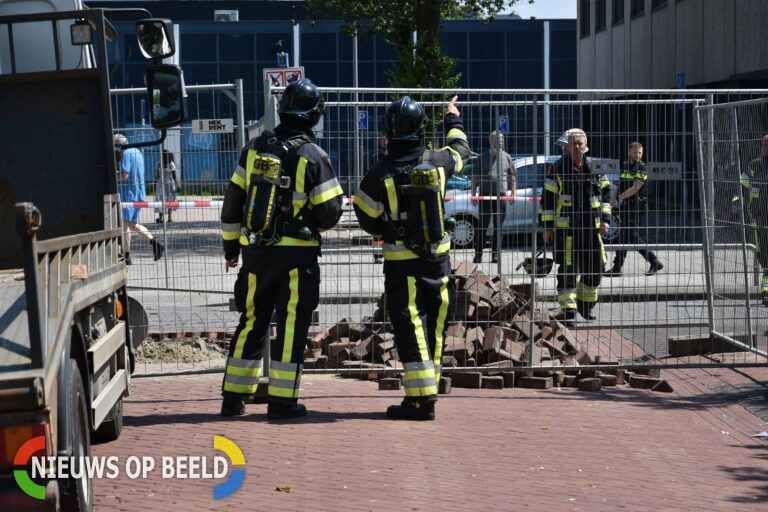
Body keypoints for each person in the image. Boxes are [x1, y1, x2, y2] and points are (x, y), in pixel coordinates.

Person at [219, 78, 343, 419]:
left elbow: (232, 204)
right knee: (291, 325)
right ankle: (282, 401)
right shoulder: (313, 155)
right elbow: (331, 212)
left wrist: (231, 248)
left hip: (255, 253)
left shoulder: (254, 148)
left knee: (252, 321)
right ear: (313, 114)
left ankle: (233, 398)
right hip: (296, 257)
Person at [353, 95, 471, 420]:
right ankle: (426, 392)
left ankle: (420, 401)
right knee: (434, 325)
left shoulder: (379, 172)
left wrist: (388, 227)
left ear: (387, 132)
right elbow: (462, 152)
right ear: (420, 129)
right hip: (439, 260)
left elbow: (364, 215)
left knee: (409, 325)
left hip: (401, 263)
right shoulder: (439, 160)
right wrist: (452, 119)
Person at [541, 129, 611, 323]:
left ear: (586, 145)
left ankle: (585, 304)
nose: (577, 147)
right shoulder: (556, 169)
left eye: (580, 143)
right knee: (569, 268)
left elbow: (606, 195)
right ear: (568, 147)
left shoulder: (595, 167)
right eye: (573, 143)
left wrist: (605, 219)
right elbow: (547, 199)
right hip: (568, 229)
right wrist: (547, 227)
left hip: (592, 229)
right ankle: (568, 310)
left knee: (596, 268)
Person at [605, 142, 663, 277]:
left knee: (631, 235)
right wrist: (615, 202)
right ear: (629, 152)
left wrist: (618, 198)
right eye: (635, 152)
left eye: (640, 153)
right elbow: (622, 184)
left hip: (636, 206)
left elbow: (635, 188)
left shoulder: (642, 168)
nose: (637, 155)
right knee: (624, 236)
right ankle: (617, 267)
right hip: (625, 206)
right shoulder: (625, 166)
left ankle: (653, 260)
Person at [115, 133, 165, 265]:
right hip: (138, 193)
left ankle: (126, 256)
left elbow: (124, 175)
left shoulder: (125, 153)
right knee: (132, 224)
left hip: (128, 193)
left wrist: (110, 176)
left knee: (125, 225)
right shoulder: (137, 151)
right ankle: (155, 244)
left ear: (119, 145)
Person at [732, 133, 768, 305]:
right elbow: (741, 186)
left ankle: (766, 291)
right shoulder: (754, 165)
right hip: (759, 218)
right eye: (763, 144)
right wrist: (737, 202)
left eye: (766, 145)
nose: (764, 147)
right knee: (762, 254)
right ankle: (766, 291)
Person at [471, 131, 516, 263]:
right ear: (491, 141)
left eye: (502, 141)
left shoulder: (507, 157)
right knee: (482, 226)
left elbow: (512, 176)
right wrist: (473, 194)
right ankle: (478, 254)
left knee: (498, 227)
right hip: (485, 196)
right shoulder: (481, 157)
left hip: (500, 197)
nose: (501, 143)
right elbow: (475, 177)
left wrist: (513, 193)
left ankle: (495, 255)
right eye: (498, 140)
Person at [155, 149, 179, 223]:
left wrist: (176, 185)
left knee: (167, 200)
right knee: (162, 200)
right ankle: (163, 218)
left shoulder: (170, 164)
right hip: (163, 184)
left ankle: (168, 217)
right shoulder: (159, 164)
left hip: (167, 184)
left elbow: (173, 176)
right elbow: (158, 176)